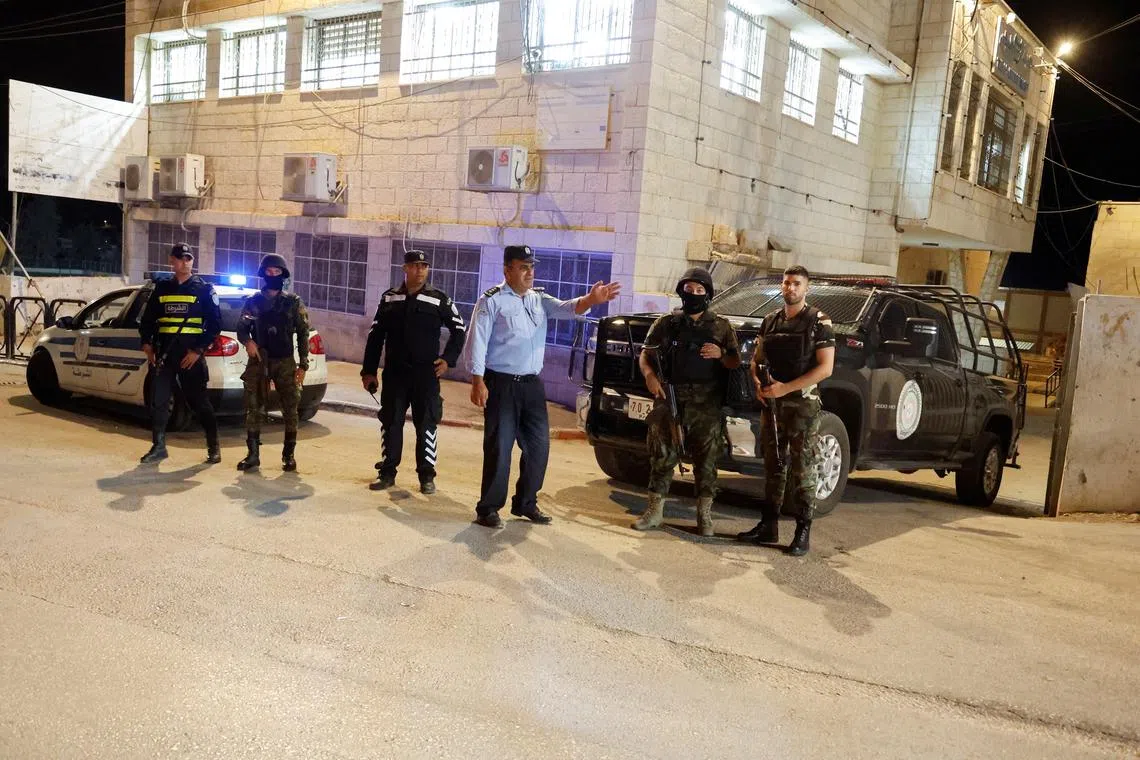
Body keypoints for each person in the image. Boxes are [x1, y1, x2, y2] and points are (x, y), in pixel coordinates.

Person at [467, 245, 621, 528]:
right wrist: (477, 380)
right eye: (523, 267)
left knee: (539, 447)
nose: (529, 272)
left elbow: (567, 308)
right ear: (507, 270)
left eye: (531, 267)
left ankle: (526, 502)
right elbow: (477, 340)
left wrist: (591, 299)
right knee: (500, 449)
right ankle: (488, 508)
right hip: (500, 383)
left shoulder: (539, 299)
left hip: (532, 386)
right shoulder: (492, 301)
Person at [631, 268, 741, 537]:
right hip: (670, 398)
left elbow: (735, 362)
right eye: (688, 289)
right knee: (662, 455)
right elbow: (646, 355)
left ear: (708, 294)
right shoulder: (666, 323)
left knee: (706, 460)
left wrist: (720, 354)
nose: (692, 295)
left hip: (706, 404)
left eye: (699, 290)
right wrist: (649, 377)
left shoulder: (721, 326)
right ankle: (655, 512)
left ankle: (704, 516)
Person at [737, 265, 835, 556]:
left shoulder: (819, 320)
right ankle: (768, 525)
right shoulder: (769, 321)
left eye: (797, 284)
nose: (790, 288)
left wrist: (786, 388)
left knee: (803, 468)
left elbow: (825, 368)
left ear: (806, 288)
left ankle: (803, 531)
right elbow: (757, 360)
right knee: (773, 466)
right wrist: (758, 382)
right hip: (773, 404)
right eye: (787, 282)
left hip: (802, 406)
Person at [361, 250, 467, 494]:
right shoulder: (390, 298)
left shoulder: (438, 299)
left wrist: (448, 360)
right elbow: (376, 336)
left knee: (427, 426)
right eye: (415, 265)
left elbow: (459, 330)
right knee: (391, 423)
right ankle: (387, 473)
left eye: (424, 266)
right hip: (395, 374)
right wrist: (368, 371)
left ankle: (426, 477)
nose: (420, 270)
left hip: (425, 376)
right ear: (404, 268)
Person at [138, 243, 223, 465]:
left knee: (199, 402)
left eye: (188, 258)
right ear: (171, 261)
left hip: (190, 357)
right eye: (180, 258)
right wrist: (147, 344)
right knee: (159, 401)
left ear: (192, 261)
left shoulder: (204, 290)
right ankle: (158, 446)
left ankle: (213, 446)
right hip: (164, 355)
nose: (184, 262)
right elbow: (147, 321)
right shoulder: (162, 288)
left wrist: (197, 351)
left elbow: (214, 325)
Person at [235, 254, 311, 473]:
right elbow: (242, 327)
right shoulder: (253, 302)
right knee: (253, 407)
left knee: (290, 407)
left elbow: (303, 332)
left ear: (283, 275)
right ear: (263, 274)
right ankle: (253, 455)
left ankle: (288, 455)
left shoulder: (293, 302)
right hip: (260, 360)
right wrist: (248, 341)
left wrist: (303, 364)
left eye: (277, 272)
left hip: (285, 361)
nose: (273, 275)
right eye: (269, 272)